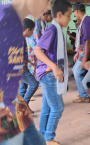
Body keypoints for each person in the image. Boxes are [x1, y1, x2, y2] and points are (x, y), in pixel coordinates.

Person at [0, 0, 51, 144]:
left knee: (37, 141)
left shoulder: (17, 25)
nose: (48, 7)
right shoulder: (3, 17)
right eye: (47, 1)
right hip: (4, 113)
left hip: (15, 104)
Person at [34, 0, 72, 144]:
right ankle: (49, 138)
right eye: (68, 15)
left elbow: (53, 52)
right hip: (49, 74)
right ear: (60, 14)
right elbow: (37, 50)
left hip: (49, 73)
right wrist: (55, 67)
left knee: (47, 107)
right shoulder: (52, 30)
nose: (70, 19)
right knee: (57, 107)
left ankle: (43, 135)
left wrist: (61, 64)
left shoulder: (58, 29)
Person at [72, 2, 90, 103]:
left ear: (77, 11)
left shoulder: (86, 22)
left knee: (77, 72)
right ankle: (86, 92)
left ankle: (84, 95)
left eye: (74, 12)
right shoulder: (85, 21)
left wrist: (85, 60)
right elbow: (83, 41)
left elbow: (88, 42)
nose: (74, 14)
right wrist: (78, 53)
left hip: (87, 54)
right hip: (82, 52)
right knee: (75, 70)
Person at [19, 18, 39, 114]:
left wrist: (29, 63)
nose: (33, 32)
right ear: (28, 30)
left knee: (23, 88)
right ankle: (25, 105)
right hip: (20, 69)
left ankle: (19, 109)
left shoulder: (21, 38)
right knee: (34, 84)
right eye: (32, 30)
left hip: (22, 67)